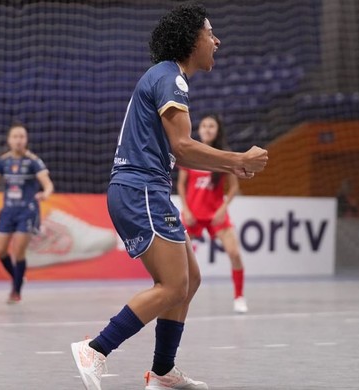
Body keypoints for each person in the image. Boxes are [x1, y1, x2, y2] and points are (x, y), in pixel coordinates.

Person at [70, 4, 268, 390]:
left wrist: (231, 165)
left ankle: (162, 373)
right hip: (139, 188)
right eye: (211, 33)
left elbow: (178, 150)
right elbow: (183, 147)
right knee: (173, 285)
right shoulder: (170, 79)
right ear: (192, 39)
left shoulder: (166, 77)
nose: (217, 40)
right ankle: (94, 349)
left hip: (147, 188)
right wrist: (237, 159)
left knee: (189, 279)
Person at [0, 123, 54, 303]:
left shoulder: (33, 161)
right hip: (8, 210)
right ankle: (18, 277)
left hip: (27, 211)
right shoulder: (4, 161)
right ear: (9, 140)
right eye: (15, 136)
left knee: (18, 253)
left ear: (26, 139)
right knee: (0, 250)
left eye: (22, 136)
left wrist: (45, 194)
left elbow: (47, 184)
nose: (18, 140)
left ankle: (16, 292)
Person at [177, 114, 248, 314]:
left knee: (234, 253)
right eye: (205, 126)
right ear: (199, 130)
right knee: (176, 258)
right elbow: (181, 185)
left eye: (212, 126)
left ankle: (239, 296)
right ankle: (176, 299)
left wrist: (223, 209)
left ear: (217, 130)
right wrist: (187, 210)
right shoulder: (191, 154)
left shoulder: (224, 155)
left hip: (216, 214)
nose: (207, 129)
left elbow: (233, 187)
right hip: (192, 214)